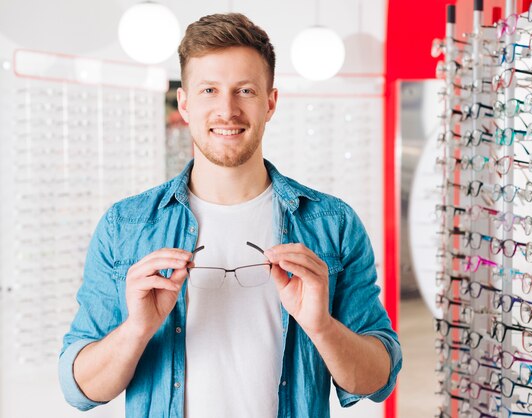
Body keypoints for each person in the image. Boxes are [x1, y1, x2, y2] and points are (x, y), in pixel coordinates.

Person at [59, 12, 401, 418]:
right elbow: (79, 388)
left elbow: (378, 380)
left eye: (245, 90)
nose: (227, 110)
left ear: (270, 102)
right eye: (208, 90)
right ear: (184, 104)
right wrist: (136, 329)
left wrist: (321, 325)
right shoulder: (126, 226)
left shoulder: (332, 223)